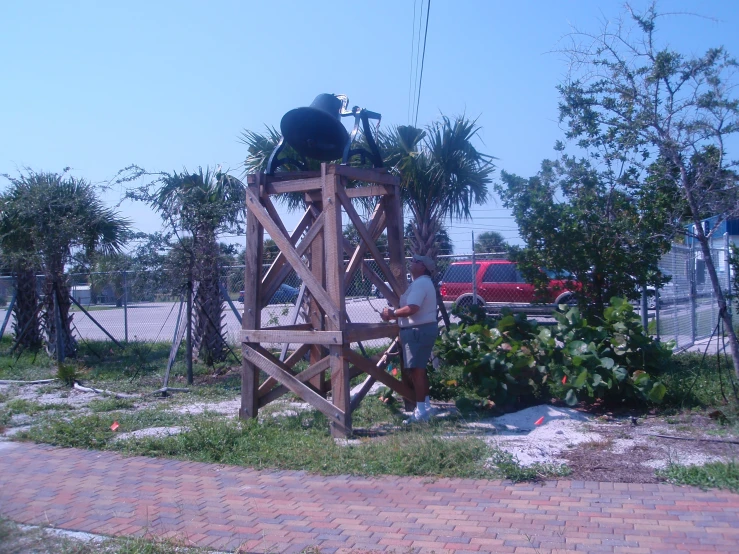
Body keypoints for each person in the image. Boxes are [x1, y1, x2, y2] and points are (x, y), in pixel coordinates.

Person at [380, 254, 438, 423]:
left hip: (417, 331)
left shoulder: (420, 283)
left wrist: (392, 314)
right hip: (421, 330)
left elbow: (413, 308)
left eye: (416, 261)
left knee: (416, 371)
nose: (412, 262)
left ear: (423, 267)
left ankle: (420, 411)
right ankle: (426, 406)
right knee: (420, 369)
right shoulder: (424, 283)